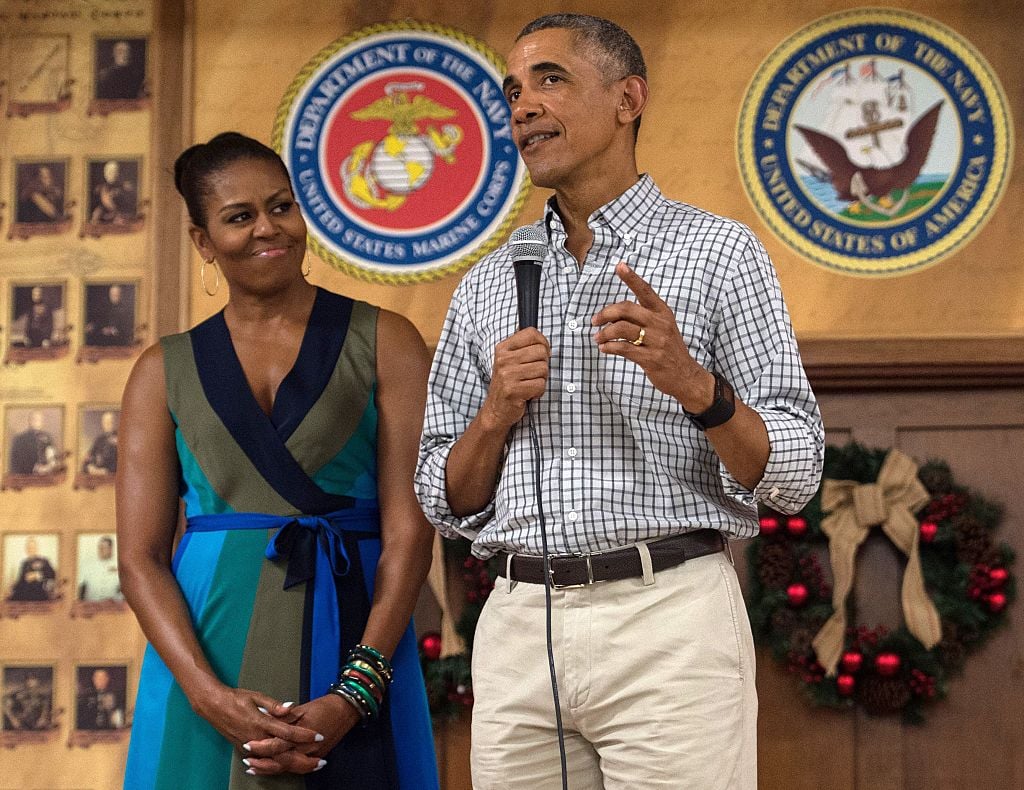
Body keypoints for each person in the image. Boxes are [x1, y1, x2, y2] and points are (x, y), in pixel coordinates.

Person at [416, 14, 824, 790]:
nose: (522, 106)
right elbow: (445, 496)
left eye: (551, 80)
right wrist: (494, 415)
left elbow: (795, 473)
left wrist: (696, 388)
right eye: (512, 91)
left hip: (667, 622)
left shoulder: (719, 253)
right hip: (516, 623)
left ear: (628, 98)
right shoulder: (488, 282)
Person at [118, 132, 438, 789]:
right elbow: (138, 557)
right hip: (206, 650)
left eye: (282, 207)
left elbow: (410, 531)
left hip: (356, 633)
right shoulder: (160, 370)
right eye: (240, 216)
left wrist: (358, 689)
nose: (270, 228)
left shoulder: (388, 341)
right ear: (203, 241)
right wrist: (208, 695)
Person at [7, 536, 57, 602]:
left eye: (32, 548)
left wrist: (37, 575)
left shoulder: (44, 560)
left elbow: (53, 575)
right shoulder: (24, 563)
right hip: (24, 596)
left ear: (37, 548)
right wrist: (12, 587)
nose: (30, 550)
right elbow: (20, 582)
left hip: (39, 595)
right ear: (26, 549)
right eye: (29, 548)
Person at [8, 410, 58, 476]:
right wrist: (35, 468)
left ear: (42, 422)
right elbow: (16, 462)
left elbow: (53, 457)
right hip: (26, 476)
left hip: (46, 476)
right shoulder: (20, 438)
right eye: (34, 419)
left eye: (39, 419)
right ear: (29, 421)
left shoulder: (48, 437)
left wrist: (49, 467)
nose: (36, 421)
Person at [78, 535, 122, 602]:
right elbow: (81, 587)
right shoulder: (88, 565)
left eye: (104, 548)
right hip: (91, 604)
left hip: (113, 605)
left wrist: (117, 599)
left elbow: (126, 589)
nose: (101, 550)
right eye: (100, 547)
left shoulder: (119, 565)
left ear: (111, 549)